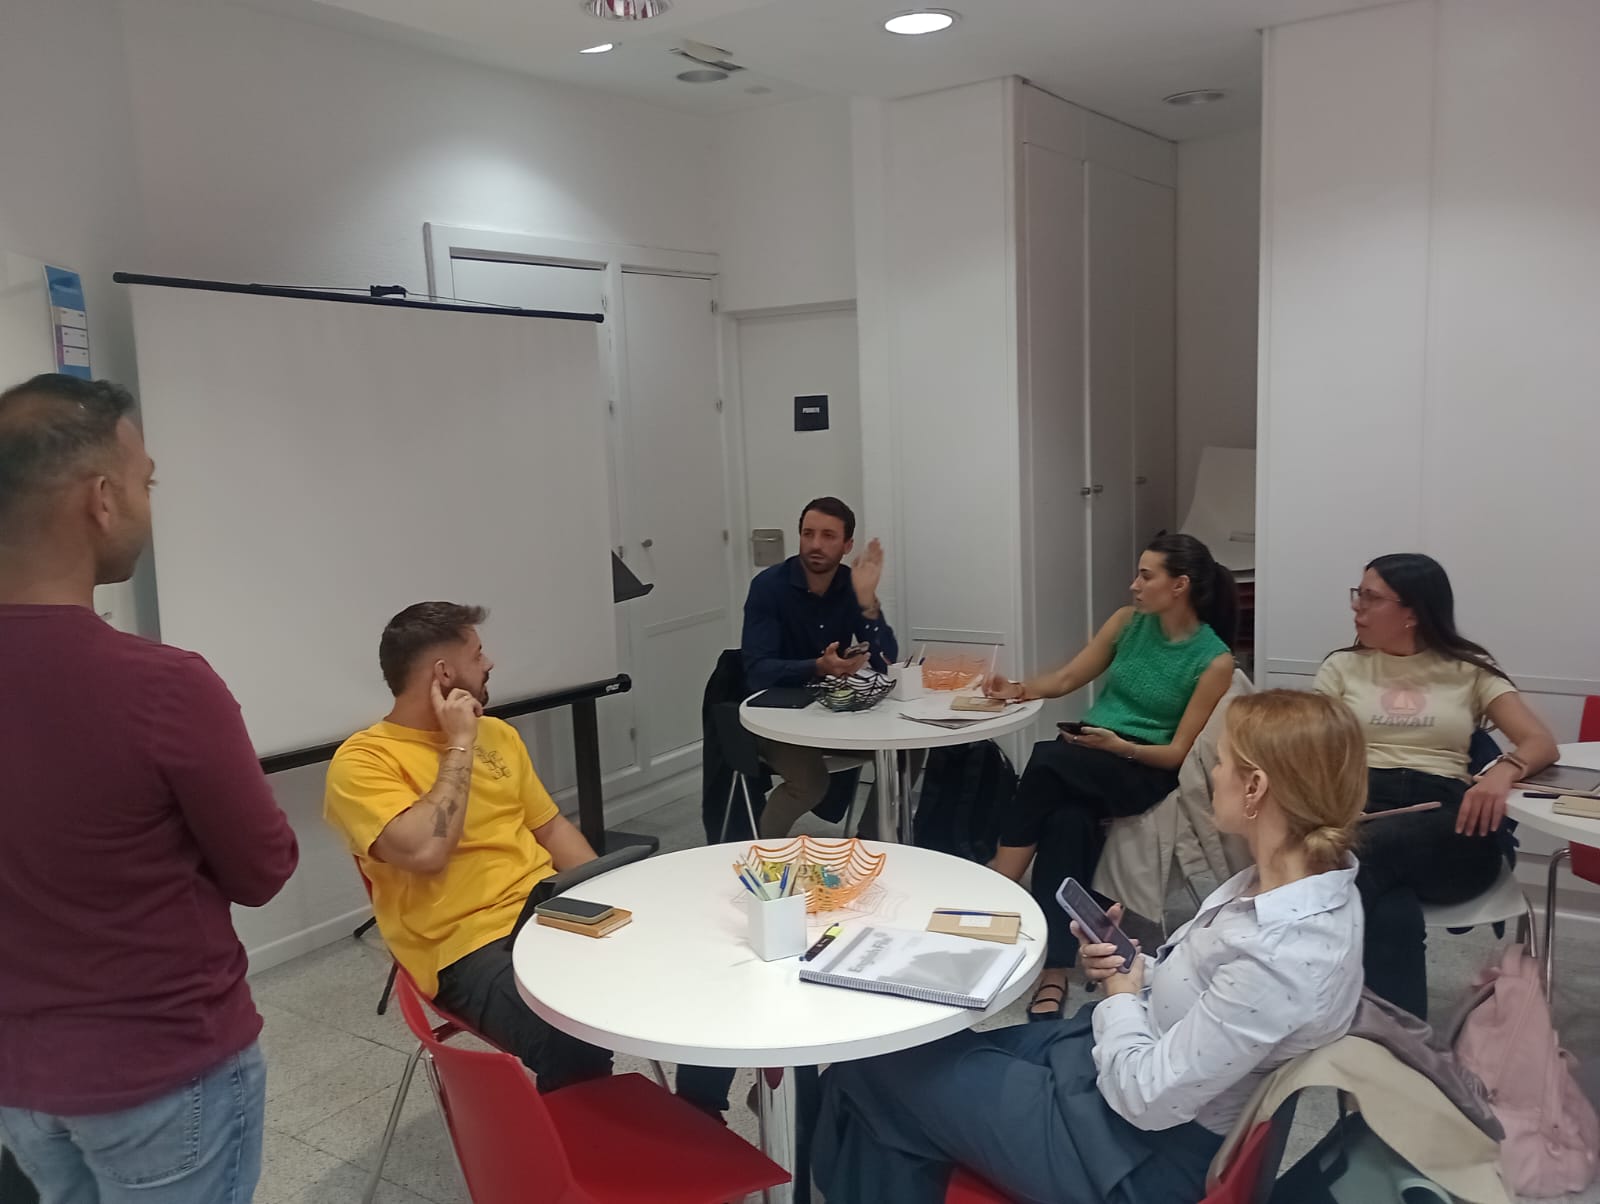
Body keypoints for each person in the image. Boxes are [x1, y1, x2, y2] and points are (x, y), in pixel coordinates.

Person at [811, 690, 1369, 1204]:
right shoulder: (1292, 884)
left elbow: (1147, 1098)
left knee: (868, 1073)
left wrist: (1119, 993)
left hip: (1133, 1151)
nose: (1211, 773)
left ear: (1256, 788)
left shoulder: (1282, 951)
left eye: (1220, 761)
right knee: (892, 1086)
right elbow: (1211, 997)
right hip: (1119, 1068)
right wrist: (1134, 965)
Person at [0, 374, 299, 1202]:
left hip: (19, 1082)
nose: (145, 504)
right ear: (102, 500)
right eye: (146, 483)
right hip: (163, 1072)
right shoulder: (164, 687)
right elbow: (264, 870)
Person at [323, 602, 731, 1110]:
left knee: (706, 962)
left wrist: (610, 895)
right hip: (463, 945)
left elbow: (551, 828)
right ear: (443, 674)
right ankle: (577, 1150)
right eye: (477, 654)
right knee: (569, 1035)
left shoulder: (499, 735)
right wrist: (459, 746)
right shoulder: (364, 760)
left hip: (547, 907)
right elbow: (428, 850)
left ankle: (701, 1112)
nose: (489, 662)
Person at [984, 532, 1237, 1018]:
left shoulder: (1214, 659)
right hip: (1091, 757)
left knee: (1046, 758)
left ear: (1180, 585)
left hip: (1142, 768)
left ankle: (1003, 876)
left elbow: (1176, 754)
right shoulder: (1127, 623)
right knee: (1067, 822)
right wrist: (1015, 689)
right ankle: (1055, 970)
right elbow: (1065, 679)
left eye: (1146, 575)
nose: (1134, 585)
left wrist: (1122, 747)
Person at [1314, 553, 1557, 1018]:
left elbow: (1540, 742)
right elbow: (1306, 742)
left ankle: (1307, 994)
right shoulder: (1341, 667)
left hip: (1449, 822)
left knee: (1349, 857)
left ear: (1412, 612)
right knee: (1392, 911)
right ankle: (1399, 1041)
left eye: (1371, 597)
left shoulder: (1469, 669)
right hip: (1364, 804)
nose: (1357, 607)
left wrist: (1502, 771)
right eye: (1358, 594)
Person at [741, 496, 899, 838]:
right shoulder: (769, 587)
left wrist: (868, 603)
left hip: (833, 710)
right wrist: (817, 666)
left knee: (905, 753)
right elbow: (758, 671)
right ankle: (765, 856)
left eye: (828, 536)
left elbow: (887, 661)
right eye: (808, 533)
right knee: (810, 783)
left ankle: (869, 844)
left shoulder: (851, 585)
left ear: (847, 545)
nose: (815, 544)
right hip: (777, 719)